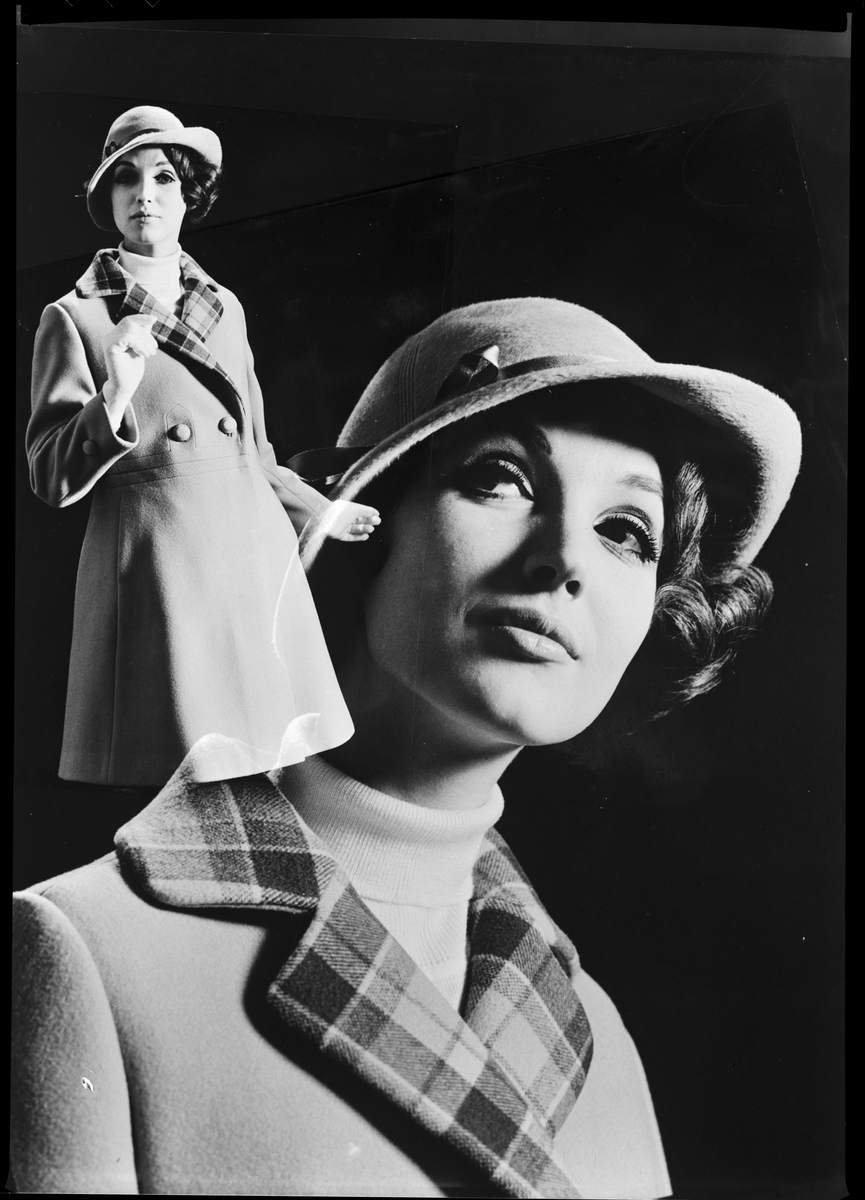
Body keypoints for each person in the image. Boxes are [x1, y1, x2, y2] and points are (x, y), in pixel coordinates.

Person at [11, 298, 802, 1197]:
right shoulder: (83, 953)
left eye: (625, 532)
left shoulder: (597, 1040)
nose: (564, 559)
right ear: (360, 524)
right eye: (501, 479)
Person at [25, 106, 379, 788]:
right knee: (187, 781)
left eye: (164, 177)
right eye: (126, 178)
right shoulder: (74, 317)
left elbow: (253, 450)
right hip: (159, 571)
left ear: (190, 195)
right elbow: (50, 476)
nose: (145, 194)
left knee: (266, 769)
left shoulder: (224, 306)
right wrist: (115, 394)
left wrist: (319, 511)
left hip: (249, 561)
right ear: (108, 198)